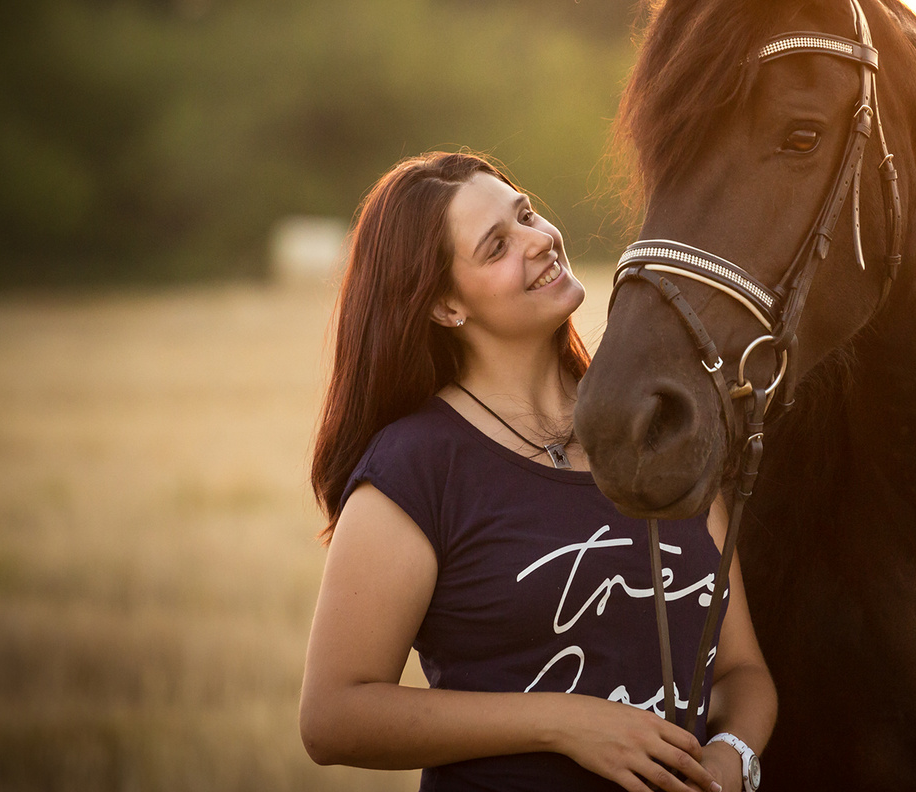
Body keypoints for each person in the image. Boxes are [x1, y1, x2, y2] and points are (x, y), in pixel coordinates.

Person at [299, 151, 776, 792]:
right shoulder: (416, 468)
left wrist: (727, 764)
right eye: (497, 246)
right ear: (445, 306)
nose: (539, 240)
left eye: (525, 214)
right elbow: (333, 716)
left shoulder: (658, 431)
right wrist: (565, 724)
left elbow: (740, 674)